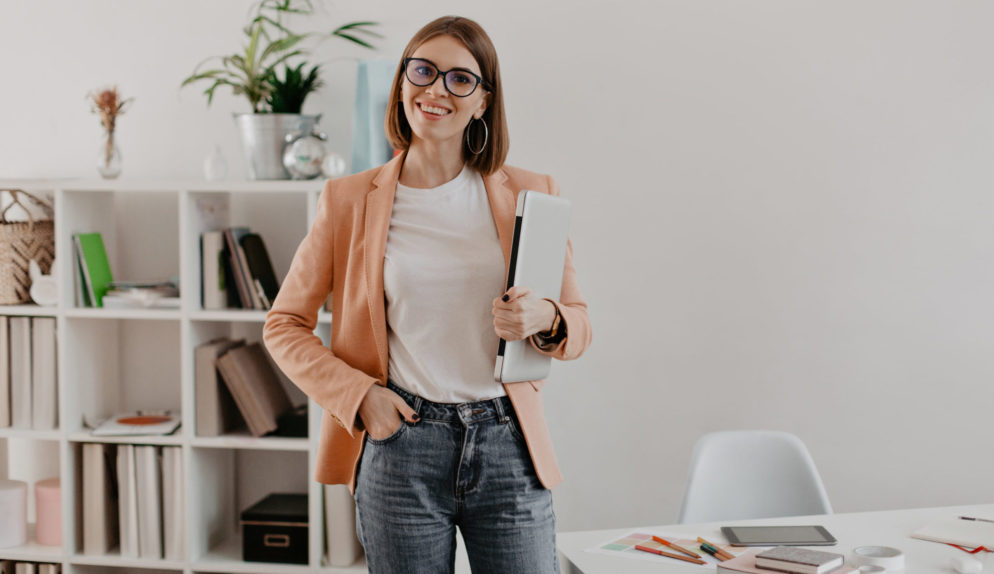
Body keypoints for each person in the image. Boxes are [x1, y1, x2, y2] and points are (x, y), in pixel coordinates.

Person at [263, 15, 592, 574]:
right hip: (402, 446)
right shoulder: (348, 200)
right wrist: (359, 396)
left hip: (508, 442)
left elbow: (580, 324)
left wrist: (546, 315)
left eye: (460, 79)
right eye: (423, 70)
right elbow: (284, 324)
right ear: (401, 82)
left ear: (483, 101)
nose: (436, 89)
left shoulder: (532, 194)